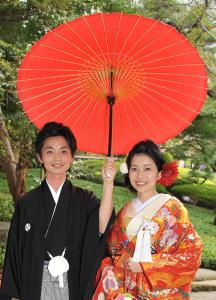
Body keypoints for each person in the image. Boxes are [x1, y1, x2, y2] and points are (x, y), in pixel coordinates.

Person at [0, 122, 116, 300]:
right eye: (49, 151)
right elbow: (15, 252)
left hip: (71, 280)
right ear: (40, 157)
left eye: (63, 151)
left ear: (72, 157)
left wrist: (108, 184)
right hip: (36, 283)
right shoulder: (27, 203)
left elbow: (100, 226)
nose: (57, 158)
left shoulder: (85, 199)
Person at [93, 140, 203, 300]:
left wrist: (147, 266)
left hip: (155, 294)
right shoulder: (124, 211)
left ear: (159, 173)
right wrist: (108, 184)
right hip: (124, 292)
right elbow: (110, 249)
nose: (140, 175)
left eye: (147, 169)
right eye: (134, 169)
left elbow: (191, 254)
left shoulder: (173, 209)